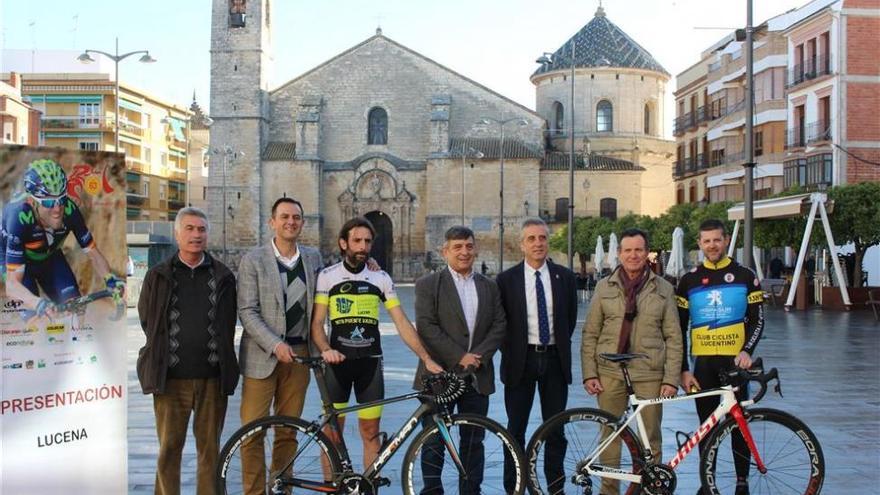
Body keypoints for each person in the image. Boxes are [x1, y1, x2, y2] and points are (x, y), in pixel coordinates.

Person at [311, 216, 442, 469]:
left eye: (367, 242)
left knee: (371, 433)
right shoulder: (327, 277)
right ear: (343, 243)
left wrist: (426, 358)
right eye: (357, 241)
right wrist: (326, 349)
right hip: (337, 364)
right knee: (331, 435)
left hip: (370, 366)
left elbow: (401, 322)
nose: (362, 247)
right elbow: (316, 323)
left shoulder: (381, 278)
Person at [137, 207, 239, 495]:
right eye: (190, 229)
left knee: (210, 450)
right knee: (169, 449)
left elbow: (228, 323)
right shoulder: (158, 276)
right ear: (178, 233)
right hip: (170, 379)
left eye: (202, 230)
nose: (196, 235)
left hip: (212, 378)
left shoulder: (223, 276)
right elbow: (148, 319)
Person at [581, 228, 682, 495]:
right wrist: (589, 373)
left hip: (649, 373)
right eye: (628, 250)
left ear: (646, 253)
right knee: (610, 436)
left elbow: (674, 336)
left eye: (638, 250)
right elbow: (590, 333)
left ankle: (651, 489)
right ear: (619, 253)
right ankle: (609, 491)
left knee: (651, 437)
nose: (633, 255)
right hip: (610, 371)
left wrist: (671, 378)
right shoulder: (604, 287)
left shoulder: (664, 288)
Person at [236, 197, 323, 495]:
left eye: (296, 217)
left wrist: (370, 266)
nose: (291, 222)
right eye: (284, 216)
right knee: (252, 431)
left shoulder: (313, 258)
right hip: (263, 357)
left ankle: (281, 488)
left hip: (300, 356)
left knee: (288, 431)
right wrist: (274, 344)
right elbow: (247, 310)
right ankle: (254, 492)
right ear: (272, 221)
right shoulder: (254, 260)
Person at [413, 225, 507, 494]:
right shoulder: (428, 285)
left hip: (477, 375)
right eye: (457, 247)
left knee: (473, 440)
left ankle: (471, 491)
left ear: (475, 249)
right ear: (445, 251)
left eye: (468, 246)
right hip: (438, 376)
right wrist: (460, 356)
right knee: (433, 441)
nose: (464, 252)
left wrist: (477, 357)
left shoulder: (489, 286)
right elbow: (427, 327)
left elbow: (500, 325)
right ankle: (432, 491)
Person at [677, 219, 764, 495]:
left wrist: (747, 350)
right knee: (706, 427)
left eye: (717, 240)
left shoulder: (745, 275)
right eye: (706, 241)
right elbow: (679, 327)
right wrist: (683, 369)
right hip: (702, 364)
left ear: (726, 240)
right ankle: (707, 480)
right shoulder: (688, 279)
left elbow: (757, 320)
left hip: (734, 363)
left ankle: (742, 482)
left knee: (739, 424)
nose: (712, 245)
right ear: (700, 244)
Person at [496, 218, 578, 493]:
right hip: (521, 361)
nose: (538, 243)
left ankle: (555, 487)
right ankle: (515, 486)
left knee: (555, 430)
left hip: (555, 360)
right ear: (521, 245)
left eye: (542, 238)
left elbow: (569, 318)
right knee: (515, 429)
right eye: (531, 239)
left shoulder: (564, 277)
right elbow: (501, 322)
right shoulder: (506, 280)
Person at [1, 158, 123, 320]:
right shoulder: (19, 217)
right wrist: (37, 303)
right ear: (33, 202)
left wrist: (111, 280)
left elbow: (93, 252)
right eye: (50, 202)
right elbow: (12, 285)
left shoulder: (70, 211)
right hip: (15, 261)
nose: (57, 208)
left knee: (76, 309)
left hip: (48, 256)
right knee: (36, 321)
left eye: (61, 199)